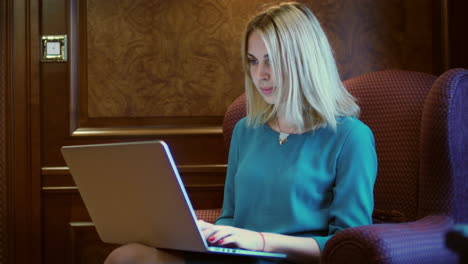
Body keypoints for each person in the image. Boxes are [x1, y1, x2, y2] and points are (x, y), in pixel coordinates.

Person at [104, 2, 377, 264]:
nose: (260, 75)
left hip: (290, 259)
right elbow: (230, 217)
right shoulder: (245, 130)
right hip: (237, 257)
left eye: (271, 61)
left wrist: (259, 241)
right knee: (127, 257)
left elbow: (345, 244)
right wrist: (210, 233)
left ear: (304, 61)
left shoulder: (351, 137)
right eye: (253, 61)